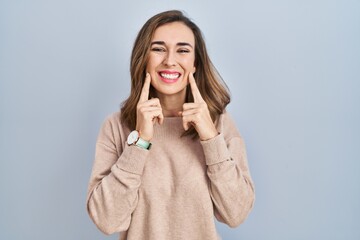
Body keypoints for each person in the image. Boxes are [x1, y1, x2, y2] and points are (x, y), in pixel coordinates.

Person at [86, 10, 255, 240]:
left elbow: (235, 214)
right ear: (143, 58)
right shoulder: (116, 126)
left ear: (195, 63)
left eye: (183, 50)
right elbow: (107, 220)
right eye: (158, 49)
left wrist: (211, 139)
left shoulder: (220, 124)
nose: (170, 60)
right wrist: (140, 142)